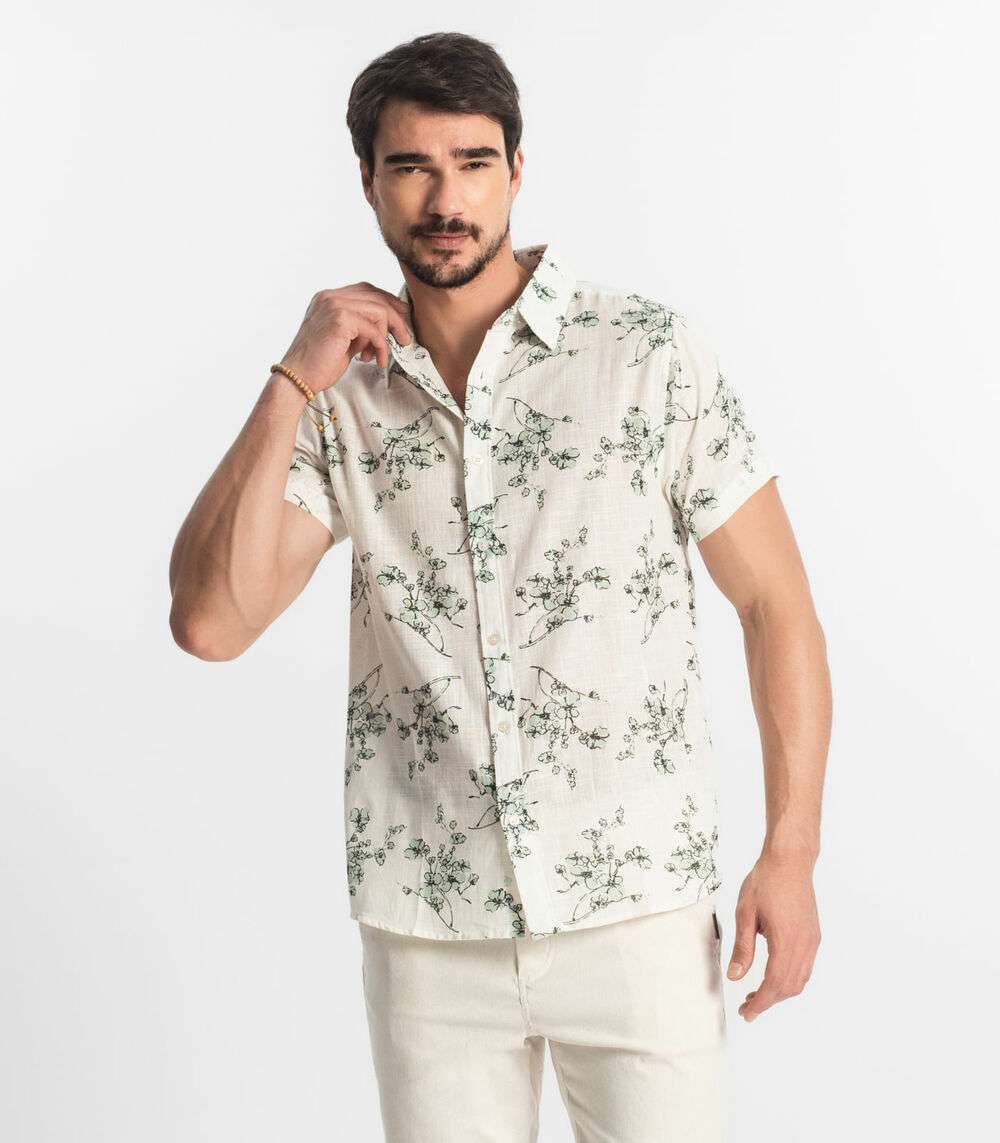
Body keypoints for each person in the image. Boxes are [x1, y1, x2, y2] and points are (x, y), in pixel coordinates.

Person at [169, 30, 830, 1143]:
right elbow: (209, 622)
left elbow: (776, 605)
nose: (445, 200)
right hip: (431, 930)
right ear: (366, 181)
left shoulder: (647, 355)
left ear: (517, 170)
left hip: (634, 908)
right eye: (411, 167)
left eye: (472, 162)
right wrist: (290, 380)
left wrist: (792, 851)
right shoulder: (342, 397)